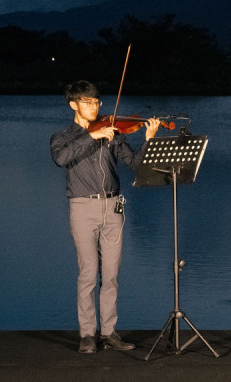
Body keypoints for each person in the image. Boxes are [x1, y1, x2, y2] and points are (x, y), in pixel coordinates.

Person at [50, 80, 161, 354]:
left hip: (113, 207)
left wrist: (149, 141)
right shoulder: (62, 137)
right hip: (82, 208)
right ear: (73, 104)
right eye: (87, 102)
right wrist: (92, 136)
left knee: (110, 275)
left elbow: (135, 165)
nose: (94, 106)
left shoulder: (113, 133)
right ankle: (87, 335)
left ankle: (109, 332)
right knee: (88, 273)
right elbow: (61, 159)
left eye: (97, 102)